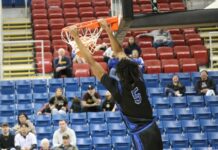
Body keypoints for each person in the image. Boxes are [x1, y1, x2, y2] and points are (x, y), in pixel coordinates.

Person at [66, 19, 163, 150]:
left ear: (119, 73)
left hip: (141, 134)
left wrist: (76, 37)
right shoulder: (138, 77)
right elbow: (119, 52)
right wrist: (107, 29)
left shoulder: (117, 89)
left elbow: (92, 62)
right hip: (153, 128)